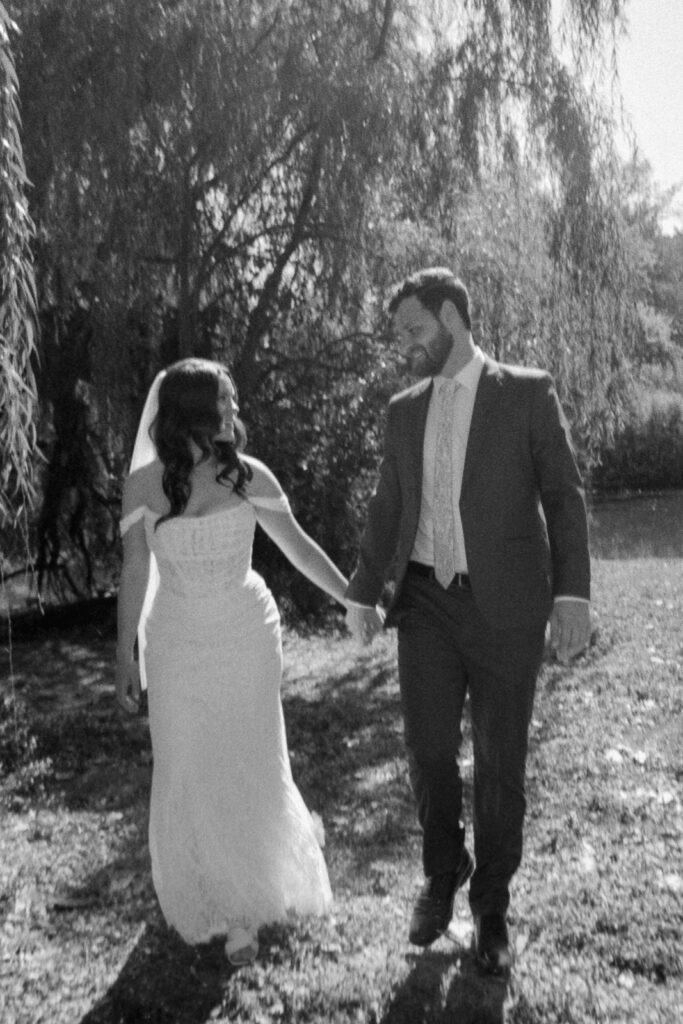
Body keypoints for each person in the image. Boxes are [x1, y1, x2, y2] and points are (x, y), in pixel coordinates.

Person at [346, 267, 591, 974]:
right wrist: (363, 591)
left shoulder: (526, 392)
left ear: (451, 317)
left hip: (507, 605)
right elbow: (386, 506)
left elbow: (563, 494)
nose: (407, 346)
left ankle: (490, 908)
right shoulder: (402, 410)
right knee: (425, 750)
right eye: (402, 334)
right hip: (424, 602)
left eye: (414, 329)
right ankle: (440, 871)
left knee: (499, 761)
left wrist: (571, 595)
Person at [116, 357, 351, 967]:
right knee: (186, 762)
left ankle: (244, 909)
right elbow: (135, 573)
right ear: (196, 412)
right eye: (227, 402)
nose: (237, 413)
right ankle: (203, 893)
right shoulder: (145, 487)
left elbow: (297, 548)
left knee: (246, 758)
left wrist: (353, 595)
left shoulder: (249, 477)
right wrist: (125, 655)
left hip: (245, 634)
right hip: (174, 643)